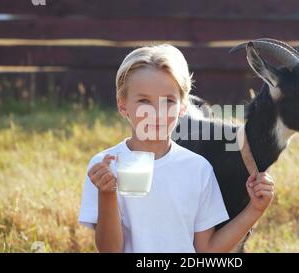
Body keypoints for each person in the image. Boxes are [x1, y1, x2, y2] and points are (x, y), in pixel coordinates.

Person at [78, 44, 274, 253]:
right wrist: (107, 193)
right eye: (144, 100)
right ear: (122, 104)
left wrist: (255, 209)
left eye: (168, 101)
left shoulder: (198, 169)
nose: (156, 112)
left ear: (183, 107)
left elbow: (206, 250)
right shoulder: (106, 167)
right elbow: (110, 251)